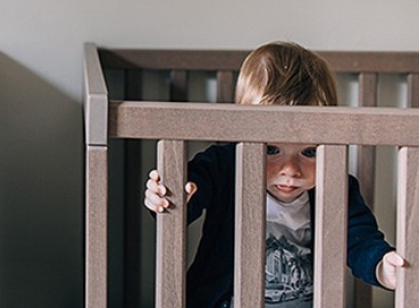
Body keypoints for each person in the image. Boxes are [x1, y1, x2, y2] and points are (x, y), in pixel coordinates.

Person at [143, 41, 404, 308]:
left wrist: (383, 266)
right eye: (272, 149)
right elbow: (191, 188)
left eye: (309, 152)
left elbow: (360, 240)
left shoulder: (334, 183)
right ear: (242, 134)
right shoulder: (226, 167)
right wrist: (169, 195)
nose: (290, 169)